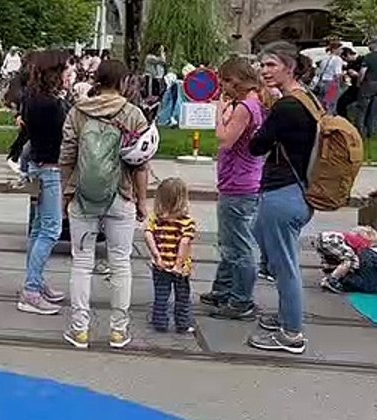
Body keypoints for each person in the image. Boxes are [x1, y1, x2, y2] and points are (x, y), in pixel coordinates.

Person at [59, 58, 151, 350]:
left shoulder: (78, 112)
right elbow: (141, 163)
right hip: (121, 195)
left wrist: (66, 192)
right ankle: (118, 331)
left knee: (82, 263)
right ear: (123, 82)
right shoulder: (133, 114)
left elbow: (67, 156)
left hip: (82, 195)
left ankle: (80, 330)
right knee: (121, 263)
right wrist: (141, 202)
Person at [246, 41, 318, 356]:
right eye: (262, 65)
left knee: (285, 265)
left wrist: (264, 120)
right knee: (268, 245)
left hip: (283, 192)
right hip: (299, 189)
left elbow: (256, 146)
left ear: (289, 67)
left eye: (271, 65)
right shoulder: (307, 100)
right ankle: (286, 317)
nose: (264, 71)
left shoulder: (287, 107)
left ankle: (292, 334)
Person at [203, 57, 266, 321]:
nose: (223, 88)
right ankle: (224, 289)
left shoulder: (245, 107)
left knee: (239, 245)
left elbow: (225, 139)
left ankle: (241, 300)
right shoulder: (255, 102)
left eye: (225, 82)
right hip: (242, 180)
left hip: (239, 184)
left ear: (235, 80)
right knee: (229, 241)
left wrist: (219, 113)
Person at [18, 54, 69, 315]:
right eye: (64, 71)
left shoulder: (30, 98)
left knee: (38, 229)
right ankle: (32, 289)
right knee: (51, 229)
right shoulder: (52, 105)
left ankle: (35, 281)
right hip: (50, 168)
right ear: (54, 74)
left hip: (37, 165)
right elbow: (64, 135)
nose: (67, 75)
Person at [144, 178, 198, 334]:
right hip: (180, 269)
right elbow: (184, 243)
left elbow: (148, 235)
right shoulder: (187, 222)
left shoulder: (156, 219)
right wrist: (178, 265)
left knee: (161, 295)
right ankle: (182, 324)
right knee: (182, 297)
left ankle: (160, 322)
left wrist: (157, 256)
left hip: (160, 265)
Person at [354, 39, 377, 139]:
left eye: (369, 44)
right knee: (375, 109)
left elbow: (362, 72)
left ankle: (360, 131)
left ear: (374, 45)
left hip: (368, 84)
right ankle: (371, 131)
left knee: (362, 109)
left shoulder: (368, 57)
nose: (368, 46)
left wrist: (359, 82)